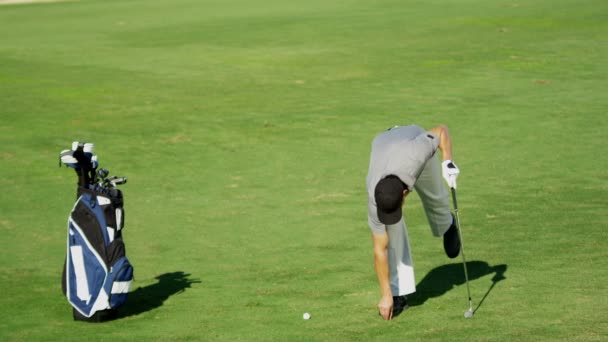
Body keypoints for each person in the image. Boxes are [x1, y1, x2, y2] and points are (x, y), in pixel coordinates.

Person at [365, 124, 461, 320]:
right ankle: (398, 292)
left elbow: (441, 131)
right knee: (392, 231)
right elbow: (379, 249)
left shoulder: (416, 153)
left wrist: (448, 162)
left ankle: (447, 224)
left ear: (404, 193)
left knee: (436, 199)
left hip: (411, 141)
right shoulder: (375, 198)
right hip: (386, 147)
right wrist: (386, 295)